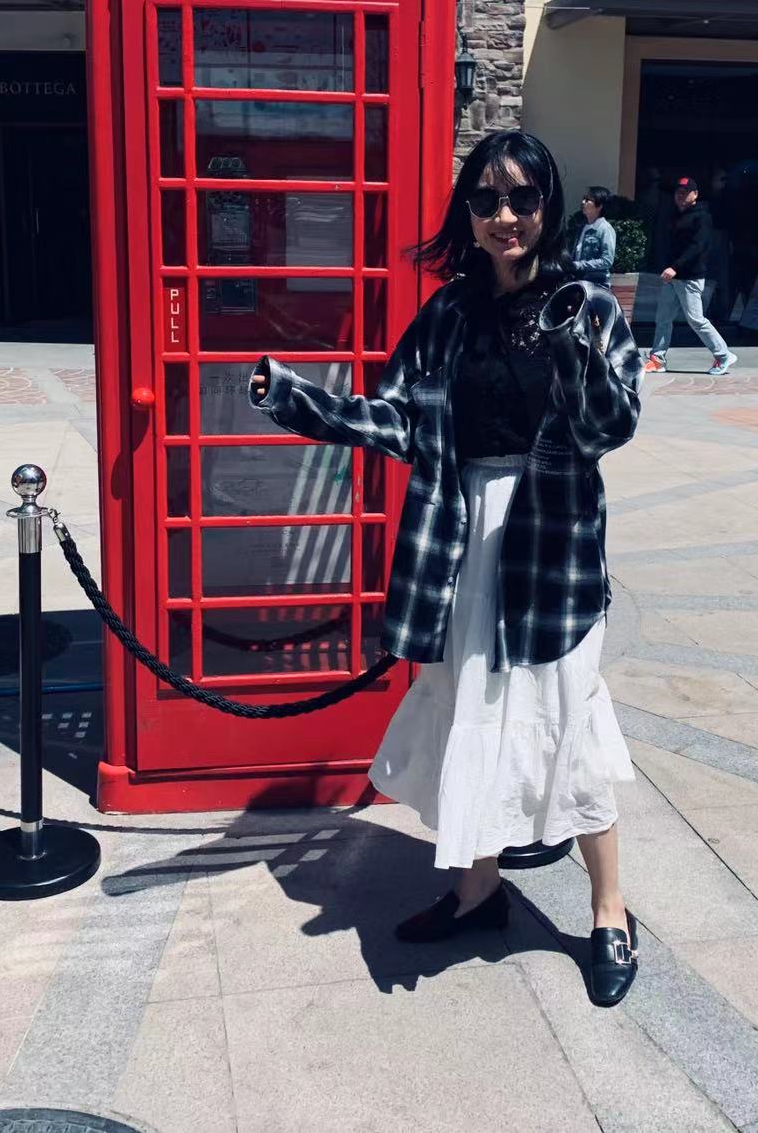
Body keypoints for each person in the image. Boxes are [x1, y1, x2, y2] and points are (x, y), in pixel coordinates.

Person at [250, 130, 643, 1008]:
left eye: (522, 199)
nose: (505, 216)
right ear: (467, 213)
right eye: (487, 200)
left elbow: (611, 425)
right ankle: (478, 891)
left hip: (552, 548)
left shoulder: (586, 305)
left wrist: (572, 343)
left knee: (567, 720)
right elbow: (395, 418)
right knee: (474, 710)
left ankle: (609, 912)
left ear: (548, 206)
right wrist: (298, 400)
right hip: (461, 538)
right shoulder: (448, 315)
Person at [645, 176, 737, 376]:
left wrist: (675, 267)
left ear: (695, 194)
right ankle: (657, 359)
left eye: (685, 192)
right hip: (672, 277)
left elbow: (697, 247)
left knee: (696, 320)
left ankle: (723, 355)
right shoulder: (675, 215)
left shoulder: (702, 217)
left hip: (690, 278)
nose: (680, 195)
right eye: (678, 192)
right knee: (663, 318)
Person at [572, 185, 617, 287]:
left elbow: (606, 261)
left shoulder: (605, 229)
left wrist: (579, 265)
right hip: (580, 282)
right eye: (584, 198)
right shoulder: (581, 227)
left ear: (599, 206)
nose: (583, 202)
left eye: (588, 200)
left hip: (597, 284)